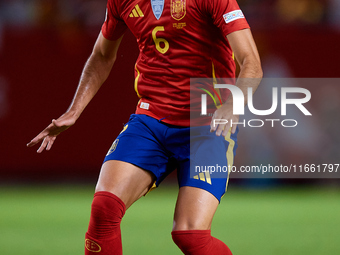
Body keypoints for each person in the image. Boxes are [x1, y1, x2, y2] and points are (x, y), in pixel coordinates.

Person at [27, 0, 262, 254]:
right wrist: (73, 112)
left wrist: (232, 104)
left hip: (208, 125)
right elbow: (103, 54)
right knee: (104, 208)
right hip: (151, 121)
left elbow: (251, 62)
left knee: (190, 235)